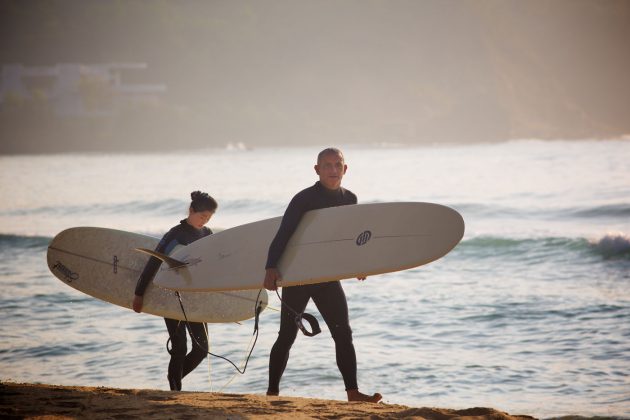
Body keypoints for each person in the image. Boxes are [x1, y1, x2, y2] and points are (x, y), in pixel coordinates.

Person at [263, 148, 382, 403]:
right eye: (327, 165)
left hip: (327, 277)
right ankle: (272, 392)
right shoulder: (303, 199)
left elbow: (349, 238)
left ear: (345, 169)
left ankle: (352, 393)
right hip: (300, 276)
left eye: (337, 165)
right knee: (287, 336)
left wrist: (357, 264)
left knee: (343, 333)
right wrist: (271, 267)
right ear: (316, 170)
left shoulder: (350, 198)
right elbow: (283, 234)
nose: (332, 170)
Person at [133, 190, 218, 391]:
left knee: (202, 349)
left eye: (208, 218)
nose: (203, 221)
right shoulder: (175, 234)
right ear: (191, 210)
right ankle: (175, 389)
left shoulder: (207, 234)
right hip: (171, 296)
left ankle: (174, 380)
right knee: (180, 347)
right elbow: (154, 262)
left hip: (195, 297)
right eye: (201, 216)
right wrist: (139, 293)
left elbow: (212, 263)